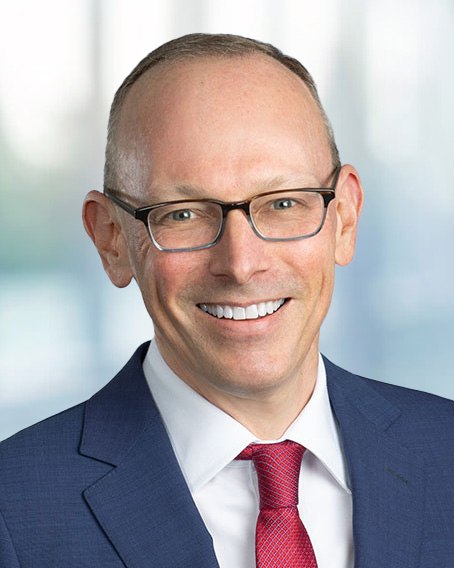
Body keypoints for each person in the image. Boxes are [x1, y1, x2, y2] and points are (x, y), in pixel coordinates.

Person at [0, 33, 453, 568]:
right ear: (112, 240)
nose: (241, 265)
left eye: (283, 204)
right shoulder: (14, 512)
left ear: (345, 220)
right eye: (184, 214)